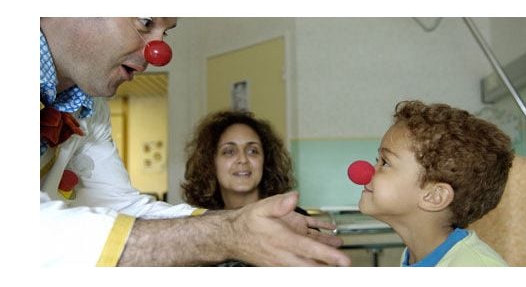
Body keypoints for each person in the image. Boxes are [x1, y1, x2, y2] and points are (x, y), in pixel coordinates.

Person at [40, 17, 350, 267]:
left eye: (167, 32)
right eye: (145, 22)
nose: (158, 52)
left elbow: (121, 205)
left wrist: (244, 225)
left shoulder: (90, 108)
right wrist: (230, 234)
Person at [358, 100, 514, 267]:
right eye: (377, 160)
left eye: (385, 162)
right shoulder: (414, 255)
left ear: (434, 196)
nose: (366, 170)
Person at [182, 110, 313, 266]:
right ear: (210, 163)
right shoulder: (199, 227)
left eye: (253, 151)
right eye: (229, 151)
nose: (243, 159)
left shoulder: (294, 220)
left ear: (266, 161)